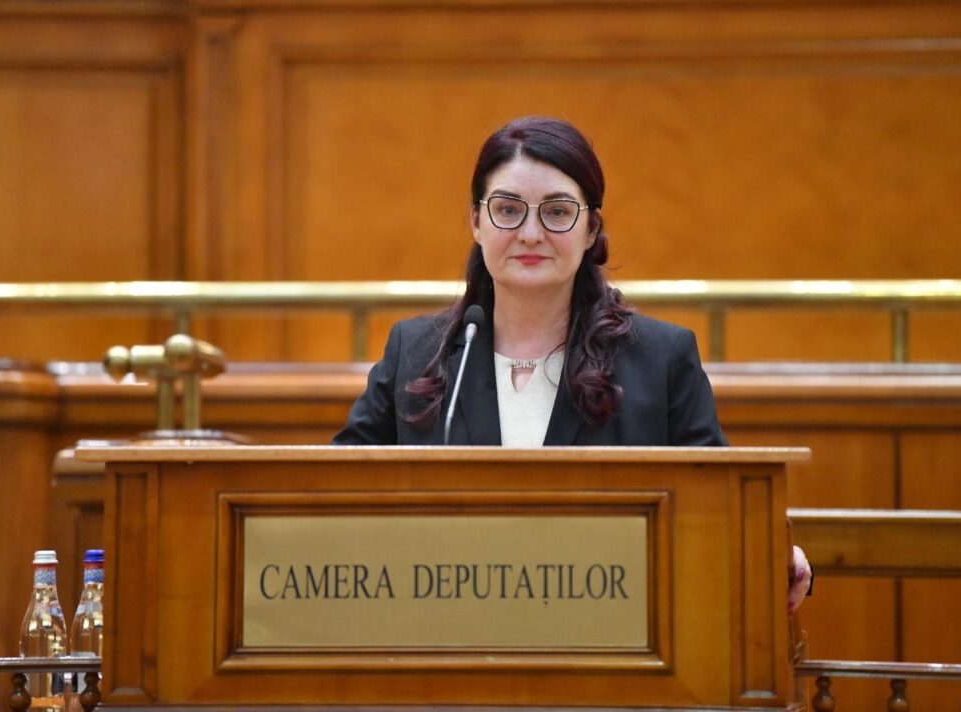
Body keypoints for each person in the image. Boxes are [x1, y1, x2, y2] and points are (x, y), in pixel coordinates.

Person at [333, 116, 811, 609]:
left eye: (557, 212)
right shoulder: (416, 351)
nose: (531, 233)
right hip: (445, 626)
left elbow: (719, 510)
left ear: (590, 229)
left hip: (613, 628)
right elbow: (334, 493)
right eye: (507, 210)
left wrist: (776, 555)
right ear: (476, 222)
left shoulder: (661, 359)